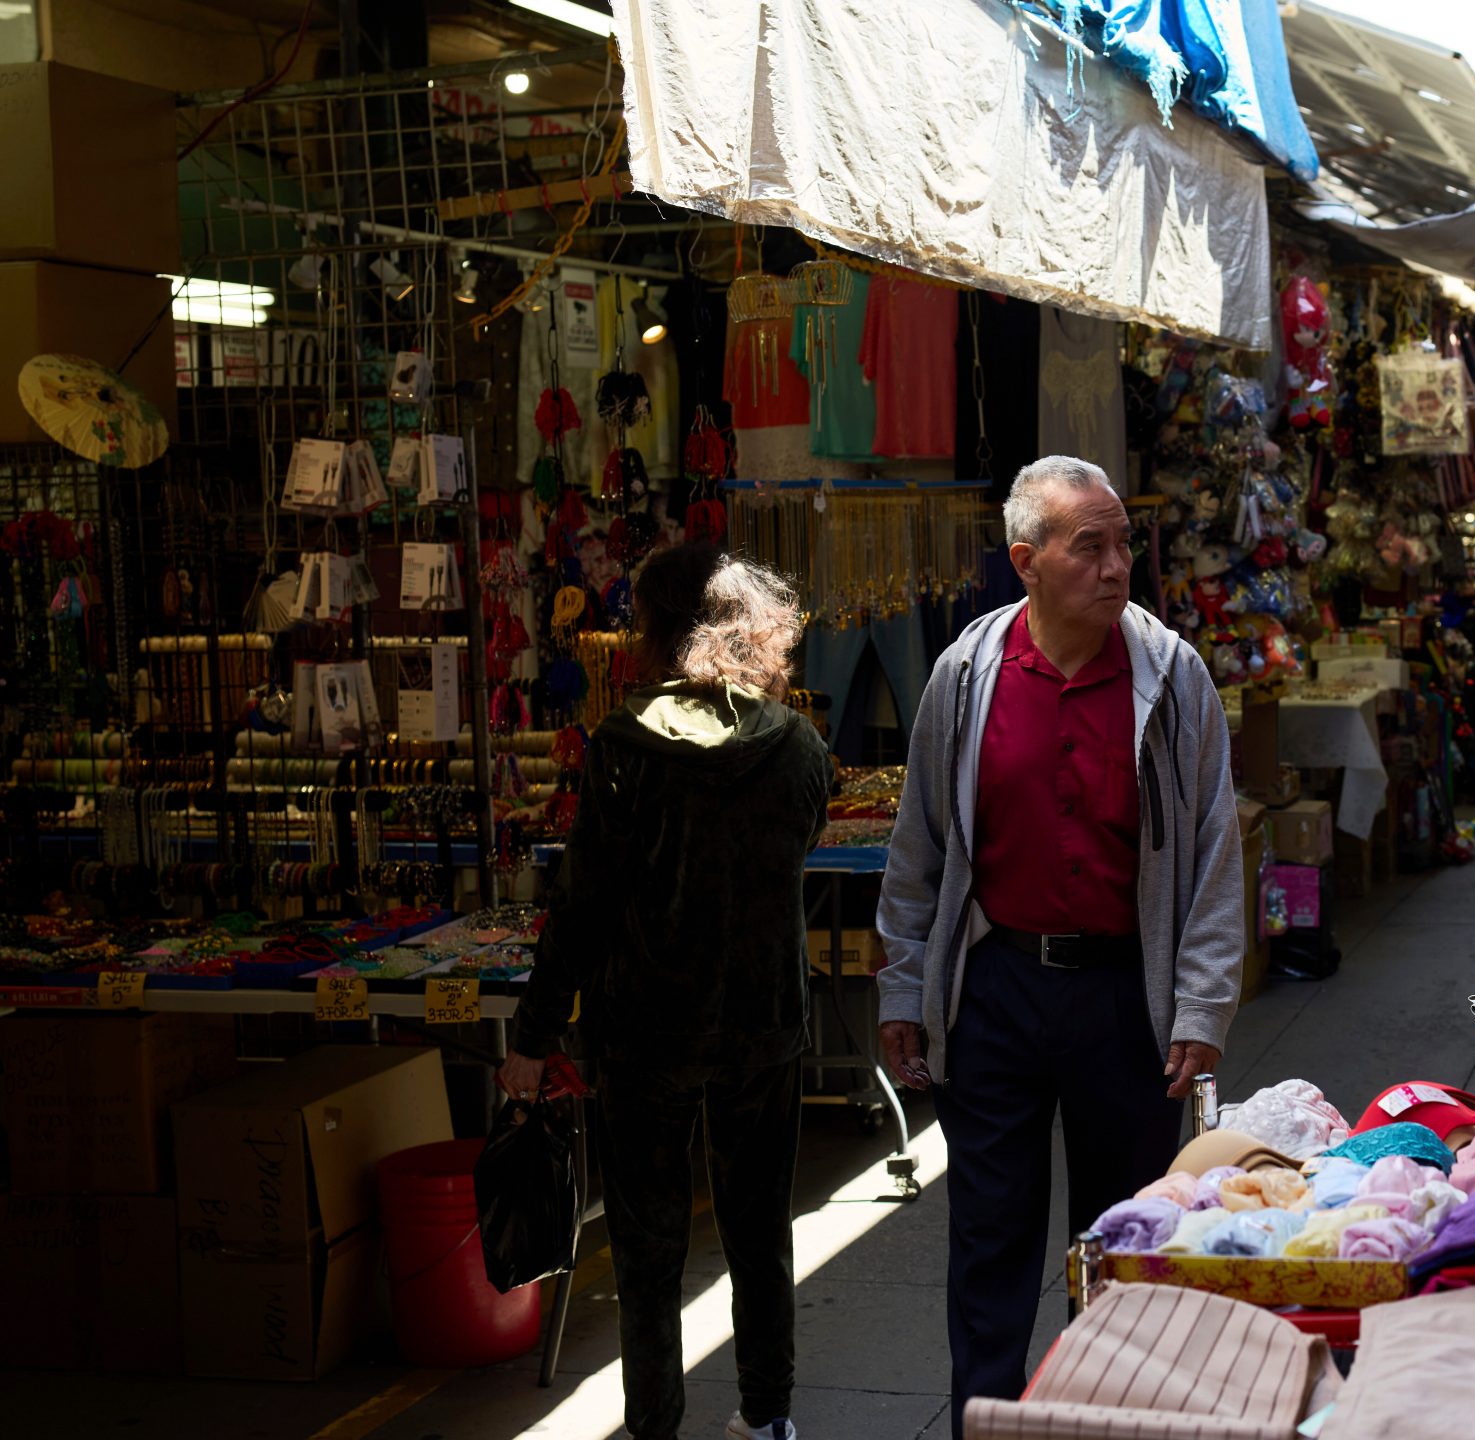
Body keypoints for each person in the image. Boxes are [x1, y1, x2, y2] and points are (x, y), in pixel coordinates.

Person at [877, 455, 1246, 1422]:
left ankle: (1111, 1419)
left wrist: (1202, 1007)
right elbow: (919, 848)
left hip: (1125, 998)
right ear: (1026, 560)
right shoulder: (967, 675)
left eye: (1124, 544)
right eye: (1092, 548)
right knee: (988, 1239)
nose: (1119, 566)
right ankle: (987, 1419)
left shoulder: (1171, 676)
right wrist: (903, 989)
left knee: (1125, 1238)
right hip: (995, 988)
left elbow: (1214, 854)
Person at [499, 542, 834, 1440]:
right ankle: (769, 1420)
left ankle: (655, 1427)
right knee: (761, 1233)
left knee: (648, 1252)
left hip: (647, 1036)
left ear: (655, 630)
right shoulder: (798, 745)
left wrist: (533, 1035)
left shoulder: (625, 750)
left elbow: (583, 908)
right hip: (764, 1027)